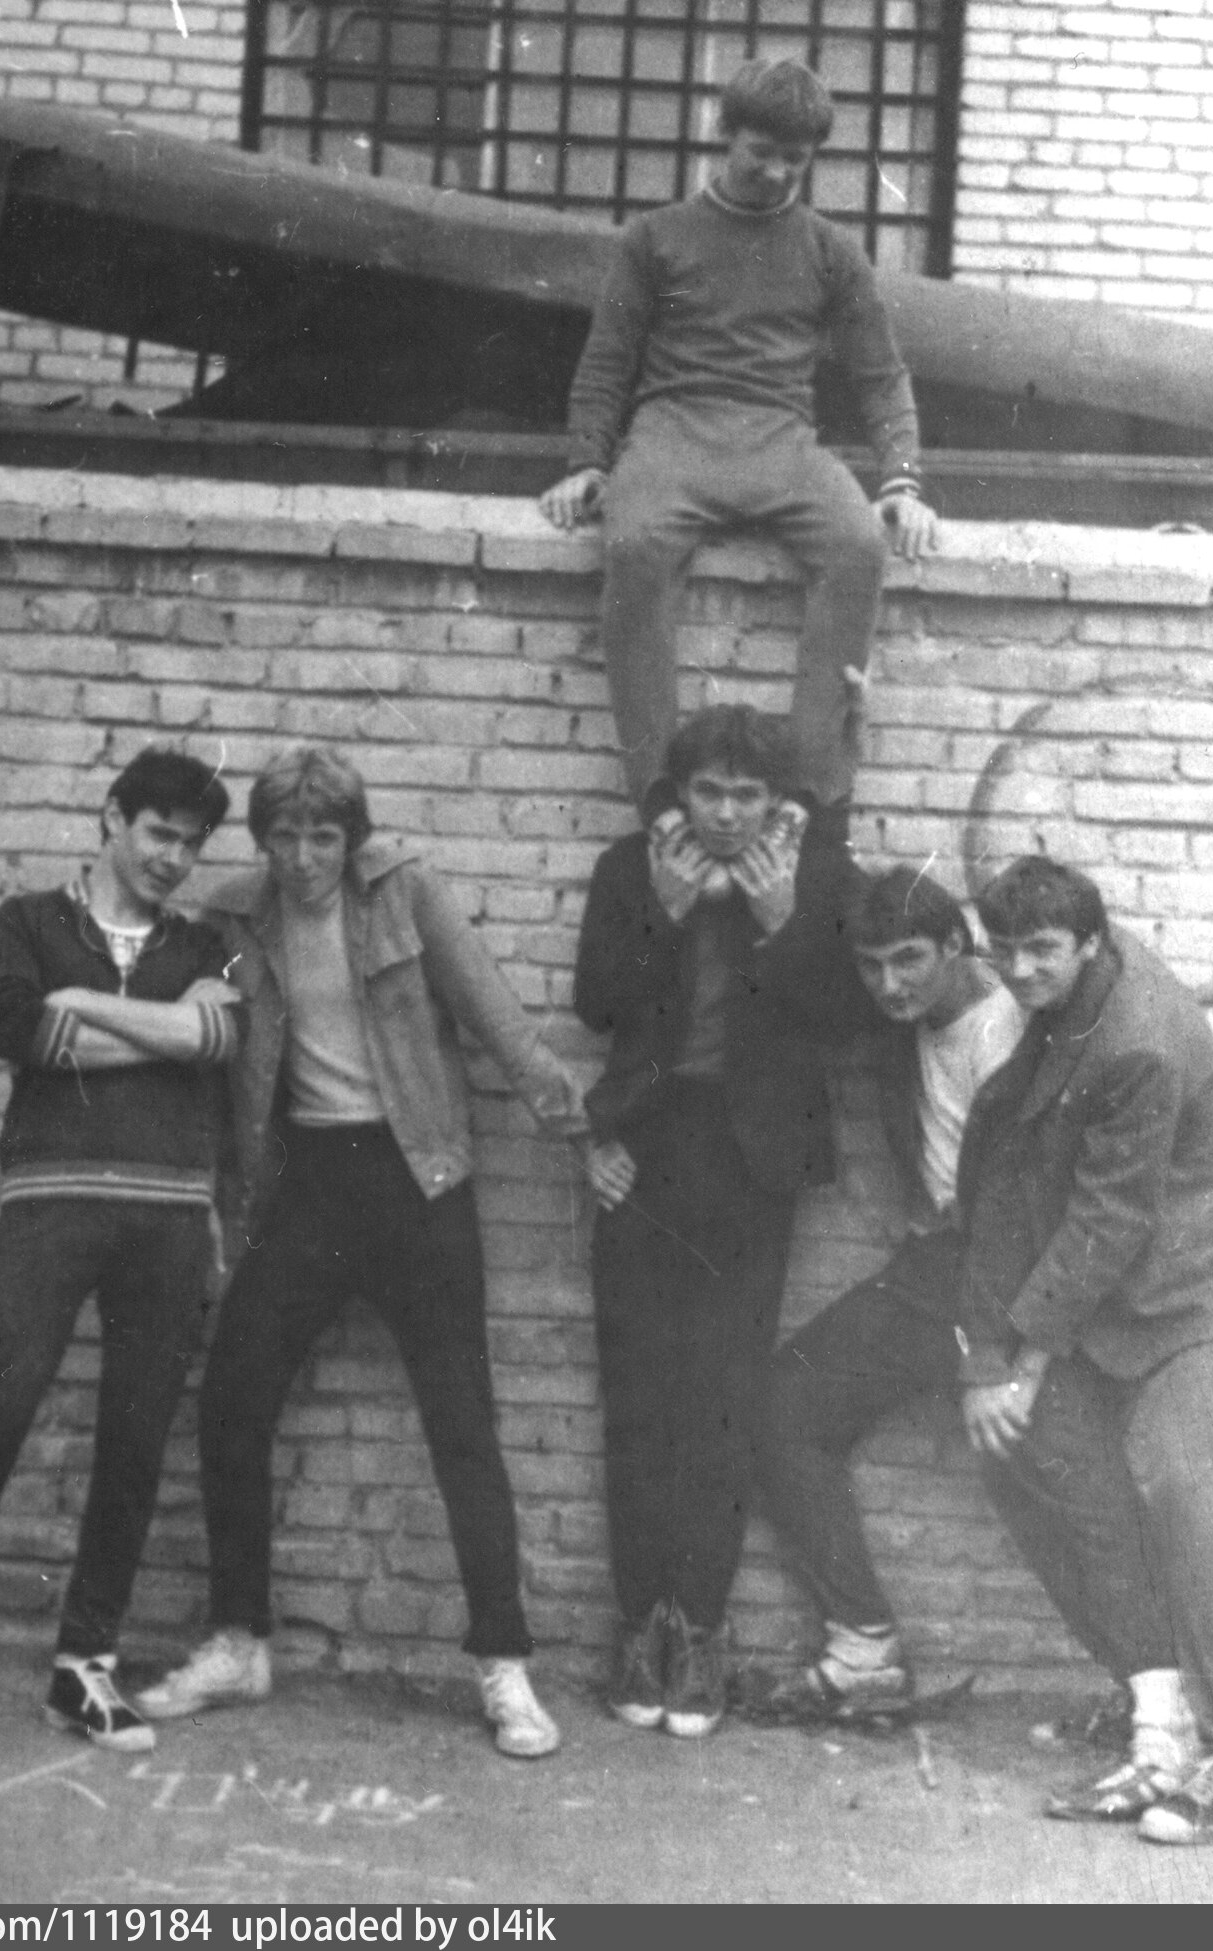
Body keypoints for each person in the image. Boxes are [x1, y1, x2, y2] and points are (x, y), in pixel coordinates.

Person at [136, 747, 588, 1758]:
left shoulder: (404, 893)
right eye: (283, 837)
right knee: (231, 1396)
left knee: (462, 1421)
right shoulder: (235, 917)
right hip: (307, 1185)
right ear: (261, 840)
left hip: (418, 1179)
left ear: (353, 838)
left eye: (323, 837)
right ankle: (239, 1639)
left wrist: (581, 1127)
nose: (303, 858)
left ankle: (503, 1664)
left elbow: (498, 1022)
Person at [0, 748, 240, 1777]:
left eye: (191, 844)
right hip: (49, 1200)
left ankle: (84, 1663)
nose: (173, 857)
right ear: (112, 818)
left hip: (170, 1211)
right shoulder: (26, 922)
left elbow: (217, 1040)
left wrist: (84, 1004)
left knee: (134, 1439)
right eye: (159, 833)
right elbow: (18, 1030)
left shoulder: (208, 942)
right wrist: (160, 1029)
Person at [957, 856, 1213, 1845]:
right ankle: (1159, 1719)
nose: (1020, 970)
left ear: (1091, 942)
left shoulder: (1140, 1038)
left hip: (1197, 1289)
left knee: (1172, 1472)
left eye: (1042, 950)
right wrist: (986, 1361)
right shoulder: (1060, 1003)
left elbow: (1108, 1219)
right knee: (1016, 1446)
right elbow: (1012, 1182)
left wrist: (1023, 1360)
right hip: (1111, 1292)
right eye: (1005, 950)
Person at [574, 704, 870, 1739]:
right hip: (644, 1153)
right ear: (680, 792)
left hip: (750, 1163)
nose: (728, 813)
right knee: (638, 1393)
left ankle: (698, 1629)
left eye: (748, 793)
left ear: (777, 799)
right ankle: (639, 1626)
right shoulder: (631, 867)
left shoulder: (819, 875)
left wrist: (786, 921)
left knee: (723, 1395)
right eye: (710, 790)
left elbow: (847, 1018)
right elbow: (596, 1004)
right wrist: (659, 914)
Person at [539, 56, 937, 813]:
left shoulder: (829, 250)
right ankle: (659, 798)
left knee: (857, 546)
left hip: (780, 440)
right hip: (673, 434)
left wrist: (901, 481)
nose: (778, 173)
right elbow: (607, 360)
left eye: (796, 159)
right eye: (761, 152)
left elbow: (881, 372)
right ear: (725, 134)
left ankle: (810, 801)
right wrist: (587, 462)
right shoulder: (656, 238)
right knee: (634, 548)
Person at [758, 865, 1024, 1706]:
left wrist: (992, 1345)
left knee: (786, 1407)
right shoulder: (902, 1014)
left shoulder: (1004, 1032)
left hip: (986, 1276)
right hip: (932, 1265)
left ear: (956, 944)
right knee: (784, 1407)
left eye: (908, 958)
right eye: (870, 965)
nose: (888, 984)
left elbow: (1023, 1207)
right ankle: (862, 1644)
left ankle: (866, 1646)